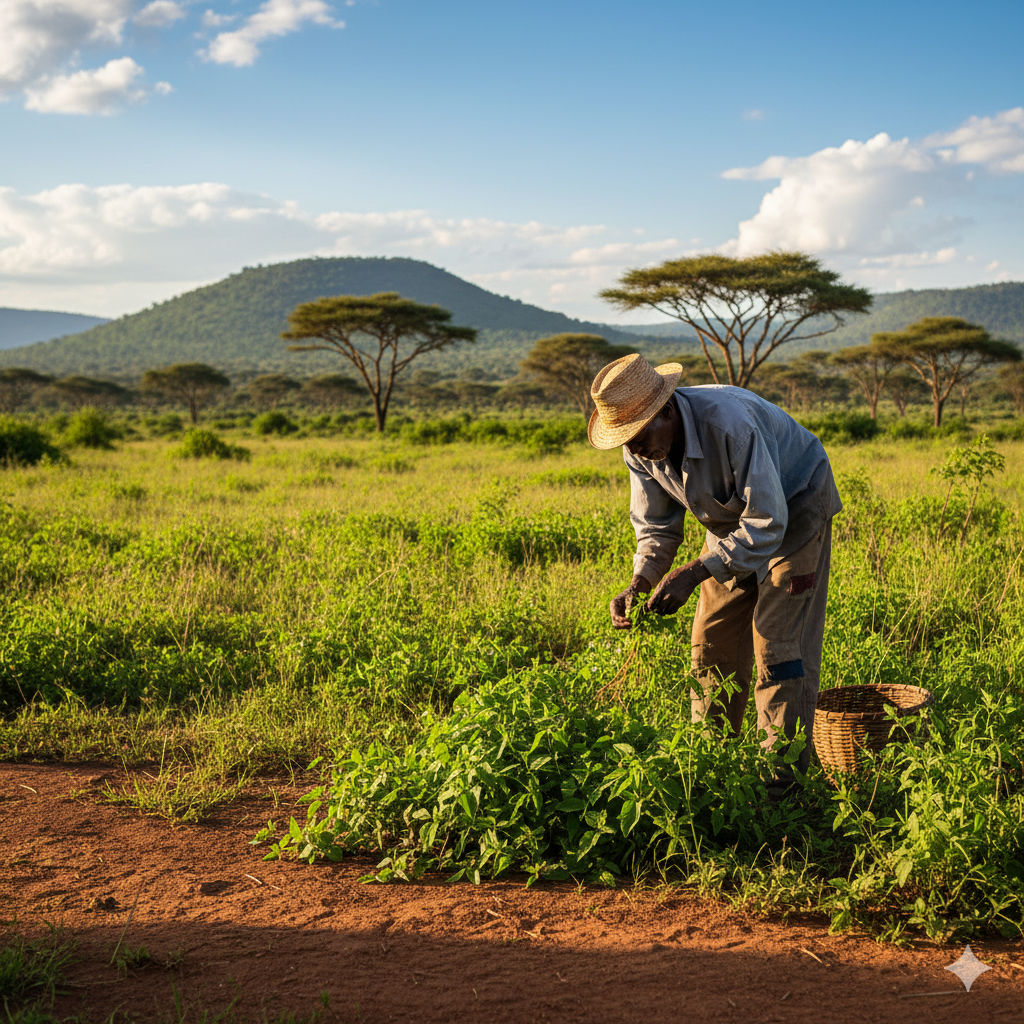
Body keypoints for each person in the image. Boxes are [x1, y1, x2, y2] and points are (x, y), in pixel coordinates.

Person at [588, 353, 842, 799]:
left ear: (666, 411)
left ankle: (780, 790)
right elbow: (656, 526)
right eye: (625, 442)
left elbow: (767, 521)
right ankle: (713, 771)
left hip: (795, 513)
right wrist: (640, 582)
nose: (635, 450)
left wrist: (693, 573)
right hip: (728, 526)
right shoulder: (642, 451)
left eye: (639, 436)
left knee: (778, 650)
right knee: (710, 643)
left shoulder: (730, 426)